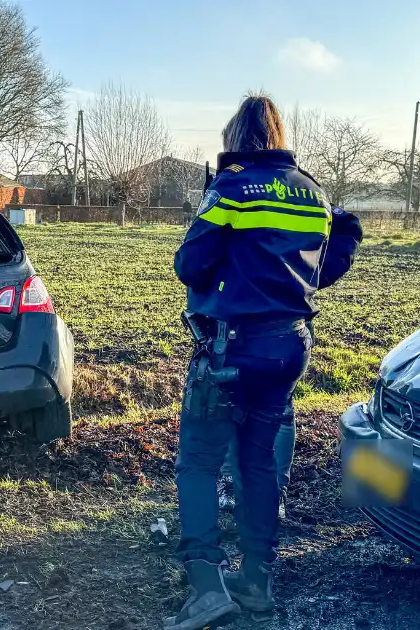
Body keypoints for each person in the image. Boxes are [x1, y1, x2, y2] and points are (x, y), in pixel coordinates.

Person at [164, 93, 340, 630]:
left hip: (229, 349)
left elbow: (190, 265)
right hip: (290, 346)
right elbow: (323, 267)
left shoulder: (231, 187)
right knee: (259, 462)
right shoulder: (314, 193)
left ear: (234, 138)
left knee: (197, 461)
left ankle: (206, 587)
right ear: (280, 136)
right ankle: (257, 583)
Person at [217, 205, 363, 519]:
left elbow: (348, 224)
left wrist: (313, 275)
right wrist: (308, 275)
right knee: (276, 408)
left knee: (235, 404)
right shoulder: (304, 190)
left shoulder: (240, 186)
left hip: (245, 319)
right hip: (289, 322)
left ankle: (236, 487)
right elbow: (348, 224)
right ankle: (268, 496)